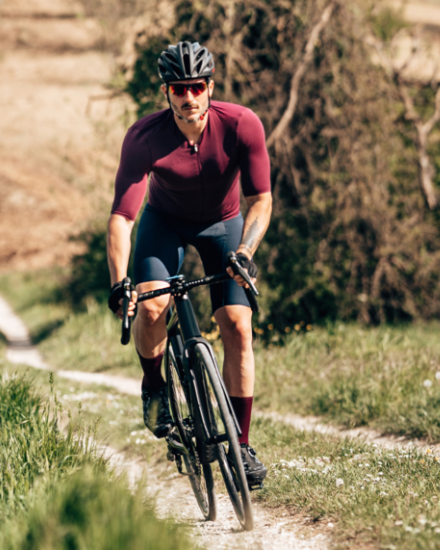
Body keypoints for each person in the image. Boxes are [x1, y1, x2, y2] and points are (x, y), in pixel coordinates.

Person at [106, 41, 273, 487]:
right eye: (179, 88)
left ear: (210, 87)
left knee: (237, 324)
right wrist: (120, 282)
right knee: (152, 306)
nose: (189, 97)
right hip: (164, 226)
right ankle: (154, 384)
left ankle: (241, 444)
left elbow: (262, 200)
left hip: (224, 225)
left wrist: (245, 253)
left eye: (197, 87)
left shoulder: (242, 125)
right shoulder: (145, 138)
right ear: (166, 92)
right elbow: (122, 218)